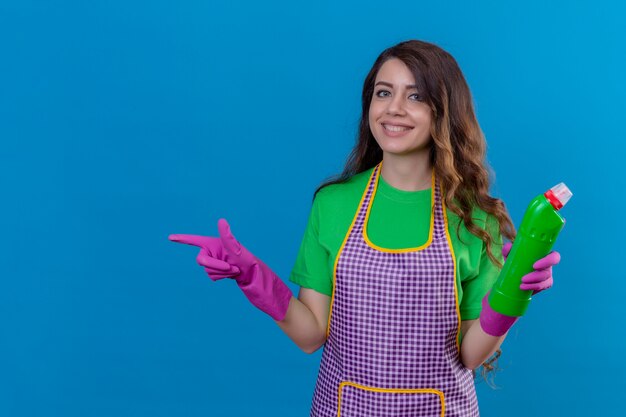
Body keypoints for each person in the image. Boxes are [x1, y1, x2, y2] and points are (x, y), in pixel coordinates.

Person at [169, 40, 561, 416]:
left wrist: (511, 297)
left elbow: (473, 354)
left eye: (415, 96)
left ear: (445, 112)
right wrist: (252, 276)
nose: (393, 109)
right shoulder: (334, 204)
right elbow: (310, 336)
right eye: (383, 92)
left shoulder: (476, 218)